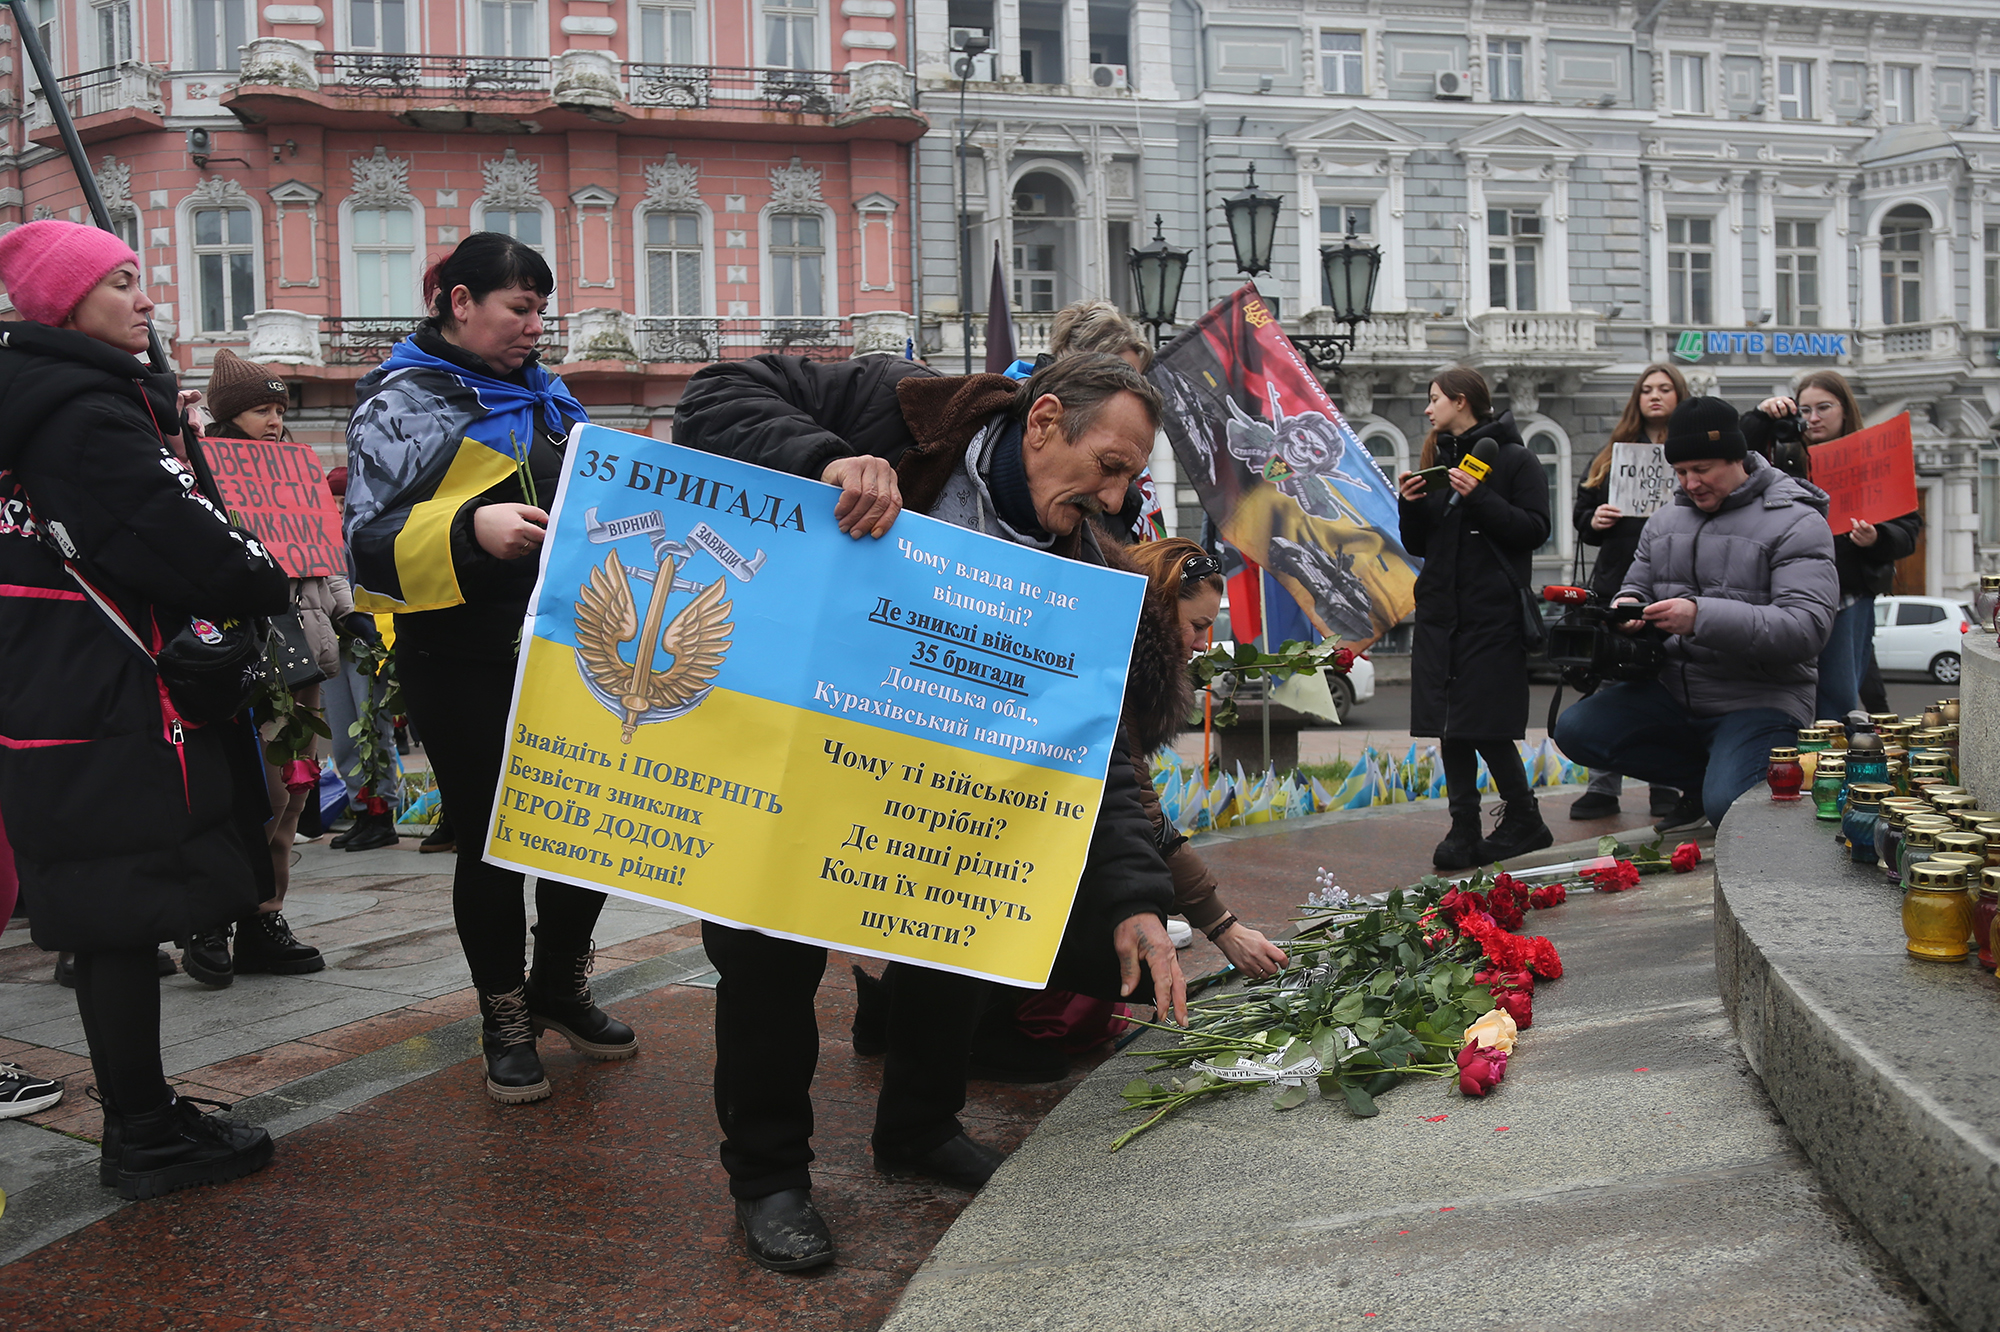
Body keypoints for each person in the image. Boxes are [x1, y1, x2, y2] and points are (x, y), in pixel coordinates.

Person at [674, 351, 1187, 1273]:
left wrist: (1138, 896)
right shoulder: (903, 408)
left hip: (938, 796)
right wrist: (827, 458)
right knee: (764, 965)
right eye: (1108, 466)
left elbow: (1097, 752)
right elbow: (712, 395)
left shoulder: (1081, 567)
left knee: (962, 932)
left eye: (1129, 479)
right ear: (1042, 423)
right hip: (798, 746)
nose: (1116, 500)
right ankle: (769, 1179)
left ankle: (918, 1128)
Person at [0, 219, 286, 1197]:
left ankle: (145, 1114)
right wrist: (260, 569)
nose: (149, 297)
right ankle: (143, 1136)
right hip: (104, 700)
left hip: (56, 687)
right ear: (67, 305)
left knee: (106, 918)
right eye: (123, 281)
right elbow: (189, 544)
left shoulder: (42, 403)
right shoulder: (83, 413)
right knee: (117, 920)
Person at [345, 232, 638, 1105]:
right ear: (458, 302)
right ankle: (504, 1019)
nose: (535, 325)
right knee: (495, 842)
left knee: (581, 832)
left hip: (569, 650)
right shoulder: (399, 405)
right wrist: (470, 533)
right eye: (519, 307)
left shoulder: (555, 403)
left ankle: (560, 988)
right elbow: (365, 544)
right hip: (461, 658)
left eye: (542, 308)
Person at [1552, 397, 1837, 830]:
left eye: (1702, 470)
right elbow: (1637, 585)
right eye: (1681, 472)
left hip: (1761, 698)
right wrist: (1626, 611)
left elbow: (1806, 629)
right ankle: (1703, 781)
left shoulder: (1796, 521)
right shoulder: (1664, 520)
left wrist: (1699, 617)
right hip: (1674, 690)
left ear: (1738, 458)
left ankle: (1720, 787)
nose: (1690, 483)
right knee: (1575, 728)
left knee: (1730, 810)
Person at [194, 349, 338, 982]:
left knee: (293, 789)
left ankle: (263, 914)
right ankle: (210, 918)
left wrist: (348, 614)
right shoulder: (199, 475)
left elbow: (322, 556)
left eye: (280, 408)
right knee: (245, 795)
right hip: (238, 656)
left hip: (299, 652)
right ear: (230, 416)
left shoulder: (293, 474)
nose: (275, 420)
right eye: (261, 409)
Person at [1396, 368, 1552, 870]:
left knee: (1484, 725)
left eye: (1435, 398)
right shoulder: (1440, 461)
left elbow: (1534, 529)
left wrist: (1479, 496)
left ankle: (1524, 817)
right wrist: (1410, 507)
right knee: (1449, 726)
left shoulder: (1516, 459)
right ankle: (1463, 826)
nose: (1428, 409)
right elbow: (1422, 545)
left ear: (1461, 401)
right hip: (1442, 614)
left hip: (1491, 615)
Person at [1742, 371, 1920, 725]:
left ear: (1845, 409)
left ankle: (1830, 768)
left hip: (1847, 597)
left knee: (1837, 696)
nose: (1814, 418)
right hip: (1785, 594)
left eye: (1824, 407)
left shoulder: (1872, 461)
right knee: (1780, 693)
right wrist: (1761, 417)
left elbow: (1908, 530)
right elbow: (1737, 458)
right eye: (1804, 409)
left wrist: (1877, 538)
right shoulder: (1783, 453)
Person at [1568, 364, 1689, 829]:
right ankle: (1603, 785)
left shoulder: (1689, 455)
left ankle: (1666, 785)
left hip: (1676, 585)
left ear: (1680, 395)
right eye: (1646, 389)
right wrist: (1594, 519)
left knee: (1668, 683)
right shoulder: (1610, 456)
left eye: (1664, 389)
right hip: (1616, 585)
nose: (1654, 396)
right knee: (1609, 679)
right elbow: (1582, 516)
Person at [318, 466, 402, 853]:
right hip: (333, 642)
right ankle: (360, 809)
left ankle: (381, 811)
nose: (335, 508)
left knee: (372, 730)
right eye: (329, 500)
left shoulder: (363, 533)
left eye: (341, 500)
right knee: (343, 733)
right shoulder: (315, 540)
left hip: (367, 643)